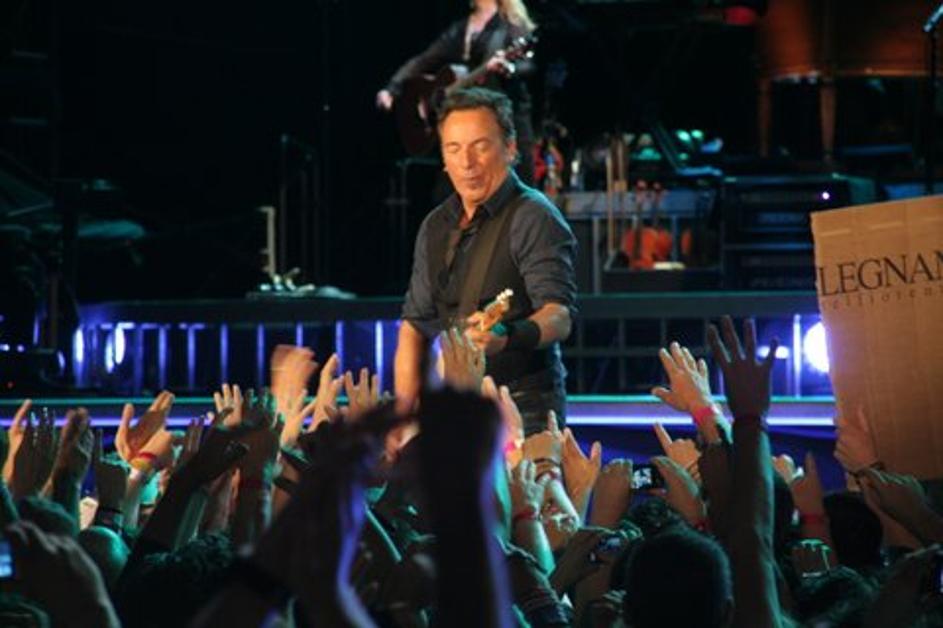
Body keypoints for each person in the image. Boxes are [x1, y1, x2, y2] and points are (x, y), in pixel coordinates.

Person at [393, 86, 577, 435]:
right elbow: (414, 326)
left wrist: (506, 335)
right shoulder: (435, 225)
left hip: (522, 407)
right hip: (453, 406)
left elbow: (559, 316)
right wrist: (402, 419)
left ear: (510, 148)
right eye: (454, 149)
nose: (467, 163)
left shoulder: (534, 215)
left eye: (480, 146)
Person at [376, 0, 538, 184]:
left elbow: (528, 65)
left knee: (518, 186)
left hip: (508, 117)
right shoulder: (461, 27)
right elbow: (425, 59)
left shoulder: (512, 22)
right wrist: (392, 88)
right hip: (469, 121)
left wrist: (507, 69)